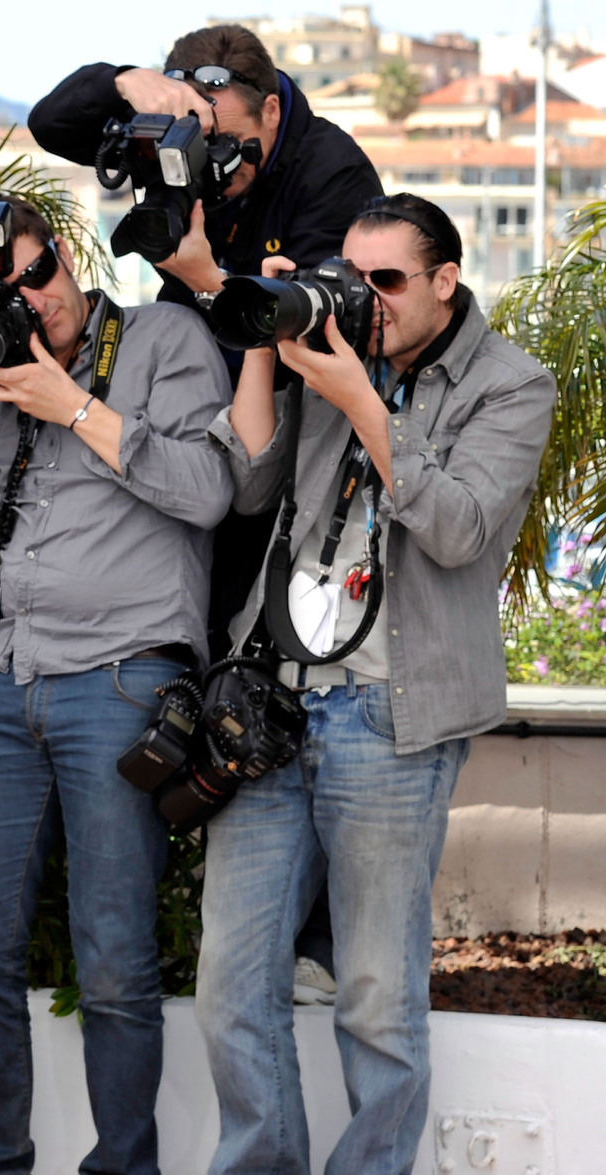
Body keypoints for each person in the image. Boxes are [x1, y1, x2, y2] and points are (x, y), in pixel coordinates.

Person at [196, 195, 554, 1175]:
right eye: (351, 279)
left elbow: (459, 528)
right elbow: (248, 485)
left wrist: (360, 398)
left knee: (371, 991)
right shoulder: (325, 349)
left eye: (385, 282)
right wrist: (267, 336)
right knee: (230, 981)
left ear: (444, 280)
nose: (365, 299)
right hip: (271, 704)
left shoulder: (509, 383)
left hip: (388, 716)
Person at [0, 197, 234, 1175]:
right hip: (5, 682)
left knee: (114, 958)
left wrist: (71, 405)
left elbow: (208, 490)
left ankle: (123, 1165)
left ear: (67, 257)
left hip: (120, 677)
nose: (29, 300)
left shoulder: (159, 336)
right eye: (3, 290)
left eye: (37, 277)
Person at [28, 23, 382, 308]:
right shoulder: (163, 133)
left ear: (270, 111)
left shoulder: (335, 175)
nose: (214, 163)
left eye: (226, 141)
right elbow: (49, 126)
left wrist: (209, 282)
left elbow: (320, 324)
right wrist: (122, 81)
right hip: (187, 339)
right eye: (198, 141)